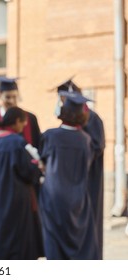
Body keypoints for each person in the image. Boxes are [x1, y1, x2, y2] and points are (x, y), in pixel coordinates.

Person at [38, 91, 99, 259]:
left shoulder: (50, 136)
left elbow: (41, 162)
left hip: (54, 198)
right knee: (79, 244)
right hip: (78, 199)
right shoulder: (85, 140)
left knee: (54, 243)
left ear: (63, 112)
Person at [0, 106, 43, 260]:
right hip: (14, 202)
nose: (23, 127)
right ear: (16, 121)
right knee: (18, 245)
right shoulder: (16, 142)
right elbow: (28, 172)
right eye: (23, 123)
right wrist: (37, 167)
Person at [55, 78, 105, 259]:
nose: (60, 103)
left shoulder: (91, 118)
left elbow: (96, 147)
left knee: (89, 220)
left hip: (87, 177)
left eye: (62, 98)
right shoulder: (69, 118)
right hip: (70, 178)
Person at [0, 76, 41, 166]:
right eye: (7, 97)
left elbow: (39, 146)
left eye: (14, 97)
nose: (11, 101)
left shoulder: (30, 119)